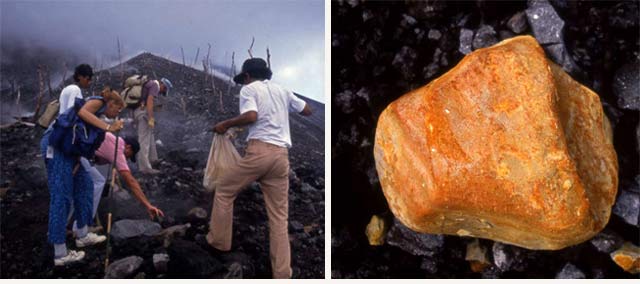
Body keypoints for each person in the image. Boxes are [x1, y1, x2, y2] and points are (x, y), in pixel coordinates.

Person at [205, 57, 312, 279]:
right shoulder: (282, 90)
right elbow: (307, 110)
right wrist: (281, 111)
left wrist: (225, 124)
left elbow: (252, 116)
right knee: (279, 217)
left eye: (243, 79)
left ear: (247, 76)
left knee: (224, 190)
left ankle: (219, 243)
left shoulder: (248, 89)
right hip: (281, 157)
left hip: (259, 152)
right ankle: (282, 274)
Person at [40, 87, 125, 266]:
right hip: (55, 147)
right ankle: (60, 253)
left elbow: (78, 136)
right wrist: (109, 127)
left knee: (86, 185)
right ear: (111, 103)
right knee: (61, 196)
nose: (118, 113)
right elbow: (83, 112)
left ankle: (82, 233)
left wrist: (77, 160)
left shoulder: (100, 116)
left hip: (69, 152)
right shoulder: (98, 102)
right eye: (118, 109)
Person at [70, 132, 164, 236]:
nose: (127, 159)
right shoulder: (118, 149)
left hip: (77, 151)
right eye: (129, 156)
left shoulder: (113, 140)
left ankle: (74, 226)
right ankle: (82, 227)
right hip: (77, 153)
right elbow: (131, 181)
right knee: (97, 182)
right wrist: (148, 205)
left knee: (80, 188)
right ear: (128, 147)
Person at [134, 77, 172, 174]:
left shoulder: (150, 84)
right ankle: (144, 167)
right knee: (144, 140)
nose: (162, 92)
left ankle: (152, 159)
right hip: (143, 114)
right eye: (164, 89)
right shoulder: (155, 85)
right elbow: (149, 101)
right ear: (163, 84)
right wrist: (151, 118)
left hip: (141, 112)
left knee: (150, 135)